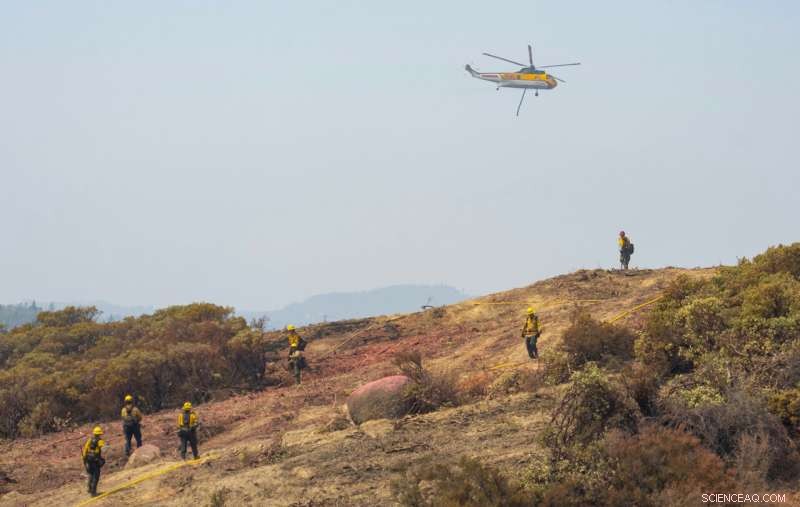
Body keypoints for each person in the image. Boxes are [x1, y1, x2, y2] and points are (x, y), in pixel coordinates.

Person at [81, 426, 106, 497]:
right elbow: (104, 449)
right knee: (96, 476)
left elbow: (85, 448)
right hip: (95, 460)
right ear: (100, 434)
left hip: (88, 459)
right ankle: (93, 492)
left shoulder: (90, 440)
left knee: (91, 474)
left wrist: (84, 458)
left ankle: (89, 488)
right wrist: (106, 446)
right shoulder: (100, 441)